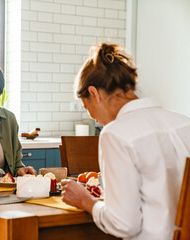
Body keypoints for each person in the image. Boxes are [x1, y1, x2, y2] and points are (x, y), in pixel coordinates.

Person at [61, 43, 190, 239]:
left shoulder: (116, 134)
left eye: (86, 106)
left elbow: (123, 224)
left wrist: (86, 201)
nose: (94, 118)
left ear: (94, 94)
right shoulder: (184, 123)